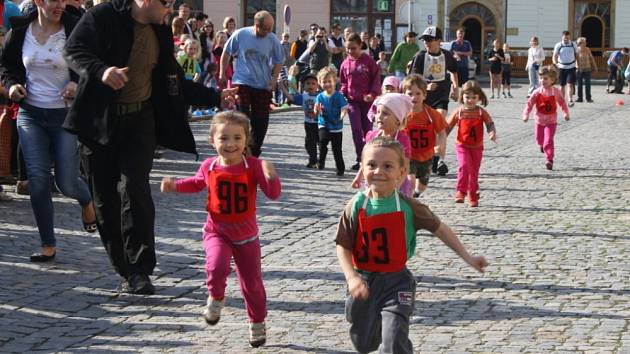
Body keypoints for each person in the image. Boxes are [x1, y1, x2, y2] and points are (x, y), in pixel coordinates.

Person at [63, 0, 233, 294]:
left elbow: (174, 80)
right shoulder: (103, 16)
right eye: (166, 3)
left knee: (136, 189)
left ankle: (140, 270)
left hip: (139, 121)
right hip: (99, 122)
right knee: (105, 201)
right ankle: (125, 268)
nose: (170, 9)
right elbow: (73, 51)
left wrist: (215, 98)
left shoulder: (161, 31)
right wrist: (101, 71)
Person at [336, 136, 488, 354]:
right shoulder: (357, 205)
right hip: (364, 282)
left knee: (393, 340)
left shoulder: (410, 207)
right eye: (371, 165)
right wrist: (352, 277)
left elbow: (441, 229)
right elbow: (343, 245)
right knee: (364, 343)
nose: (378, 171)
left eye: (387, 166)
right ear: (362, 168)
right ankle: (380, 329)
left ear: (401, 172)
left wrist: (468, 258)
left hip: (397, 283)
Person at [160, 111, 280, 348]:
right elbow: (196, 184)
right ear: (212, 140)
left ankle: (257, 322)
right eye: (224, 138)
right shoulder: (209, 166)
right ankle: (216, 297)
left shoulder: (254, 166)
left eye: (237, 138)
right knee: (216, 267)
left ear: (246, 140)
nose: (230, 144)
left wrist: (271, 175)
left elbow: (273, 193)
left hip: (247, 237)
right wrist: (175, 185)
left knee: (252, 283)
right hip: (217, 232)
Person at [0, 0, 98, 262]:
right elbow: (6, 66)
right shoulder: (20, 30)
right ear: (39, 2)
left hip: (64, 116)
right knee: (38, 180)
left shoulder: (75, 28)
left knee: (66, 182)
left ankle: (86, 200)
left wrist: (77, 84)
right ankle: (47, 244)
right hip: (30, 113)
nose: (60, 5)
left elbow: (91, 64)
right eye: (54, 0)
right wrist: (11, 86)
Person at [220, 10, 284, 157]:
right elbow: (226, 52)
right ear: (256, 25)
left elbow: (279, 61)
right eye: (266, 29)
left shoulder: (272, 39)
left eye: (271, 29)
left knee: (260, 120)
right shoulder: (241, 34)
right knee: (242, 115)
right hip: (242, 81)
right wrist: (222, 72)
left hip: (263, 85)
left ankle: (254, 151)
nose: (268, 32)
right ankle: (240, 148)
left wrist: (273, 80)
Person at [408, 26, 458, 177]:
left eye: (429, 40)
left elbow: (454, 71)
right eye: (424, 40)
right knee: (426, 130)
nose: (426, 43)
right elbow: (412, 79)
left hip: (441, 95)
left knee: (440, 124)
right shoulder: (420, 56)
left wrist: (456, 88)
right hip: (424, 98)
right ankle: (425, 158)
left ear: (439, 41)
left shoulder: (447, 56)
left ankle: (440, 159)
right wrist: (426, 86)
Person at [350, 93, 414, 197]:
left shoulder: (402, 139)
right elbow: (366, 161)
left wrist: (397, 185)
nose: (379, 116)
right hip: (375, 182)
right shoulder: (372, 136)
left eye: (385, 113)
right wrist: (358, 177)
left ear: (398, 120)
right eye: (378, 112)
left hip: (397, 184)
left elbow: (405, 166)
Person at [446, 81, 496, 207]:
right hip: (462, 145)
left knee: (474, 171)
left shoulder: (481, 112)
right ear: (462, 96)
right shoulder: (459, 112)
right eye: (467, 97)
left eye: (474, 97)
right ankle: (461, 191)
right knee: (464, 165)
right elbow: (448, 126)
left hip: (477, 147)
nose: (470, 100)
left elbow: (490, 123)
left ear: (479, 97)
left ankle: (473, 195)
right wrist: (441, 139)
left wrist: (492, 133)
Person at [339, 33, 381, 170]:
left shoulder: (368, 61)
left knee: (367, 131)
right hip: (352, 102)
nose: (351, 51)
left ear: (360, 46)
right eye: (349, 49)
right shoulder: (345, 64)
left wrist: (372, 94)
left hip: (367, 102)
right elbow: (344, 83)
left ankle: (369, 158)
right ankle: (360, 158)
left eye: (354, 48)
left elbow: (376, 79)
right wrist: (340, 96)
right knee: (356, 130)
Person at [402, 74, 447, 198]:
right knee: (410, 179)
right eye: (410, 93)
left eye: (418, 94)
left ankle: (416, 194)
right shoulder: (402, 114)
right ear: (404, 95)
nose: (414, 97)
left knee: (422, 185)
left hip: (427, 155)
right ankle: (408, 199)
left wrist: (440, 146)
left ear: (424, 95)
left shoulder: (432, 114)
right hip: (408, 155)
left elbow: (442, 132)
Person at [522, 66, 570, 171]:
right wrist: (526, 114)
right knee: (539, 140)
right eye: (541, 78)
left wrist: (565, 113)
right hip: (539, 120)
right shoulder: (537, 92)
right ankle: (542, 145)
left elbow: (562, 103)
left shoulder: (556, 91)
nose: (542, 81)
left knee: (548, 141)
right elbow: (529, 104)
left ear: (552, 80)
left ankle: (549, 160)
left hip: (551, 121)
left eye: (545, 78)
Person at [314, 66, 348, 176]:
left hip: (336, 127)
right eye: (324, 82)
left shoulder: (338, 96)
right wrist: (316, 110)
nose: (327, 84)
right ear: (320, 83)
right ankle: (321, 161)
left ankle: (340, 168)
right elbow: (316, 108)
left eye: (329, 81)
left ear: (334, 82)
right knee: (322, 142)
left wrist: (343, 114)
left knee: (337, 149)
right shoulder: (319, 96)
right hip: (323, 123)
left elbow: (344, 107)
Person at [552, 31, 578, 106]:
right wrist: (555, 64)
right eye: (565, 37)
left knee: (570, 84)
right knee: (562, 85)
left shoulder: (573, 44)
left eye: (567, 37)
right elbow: (554, 56)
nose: (566, 39)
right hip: (561, 67)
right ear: (562, 37)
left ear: (569, 37)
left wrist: (578, 65)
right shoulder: (558, 45)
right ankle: (562, 100)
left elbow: (577, 55)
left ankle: (570, 100)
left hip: (571, 67)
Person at [575, 37, 597, 103]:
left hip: (587, 69)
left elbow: (591, 58)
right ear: (580, 43)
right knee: (579, 84)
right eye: (584, 42)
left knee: (588, 84)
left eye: (585, 42)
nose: (586, 43)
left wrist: (595, 66)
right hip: (579, 69)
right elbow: (574, 59)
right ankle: (580, 98)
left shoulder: (587, 49)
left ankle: (588, 98)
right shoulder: (576, 50)